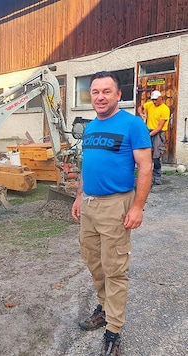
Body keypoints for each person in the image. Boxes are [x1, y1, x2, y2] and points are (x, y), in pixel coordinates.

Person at [71, 71, 152, 356]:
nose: (100, 96)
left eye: (107, 91)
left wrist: (138, 206)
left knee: (115, 269)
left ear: (119, 95)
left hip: (116, 205)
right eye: (95, 92)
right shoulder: (91, 127)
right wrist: (80, 196)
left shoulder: (132, 125)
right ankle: (104, 308)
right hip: (90, 205)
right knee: (95, 262)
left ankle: (114, 330)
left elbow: (145, 167)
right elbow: (86, 166)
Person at [137, 89, 170, 185]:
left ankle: (157, 177)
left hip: (158, 133)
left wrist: (147, 135)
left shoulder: (164, 109)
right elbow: (140, 107)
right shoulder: (150, 104)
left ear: (161, 98)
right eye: (153, 100)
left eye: (156, 99)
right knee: (145, 155)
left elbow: (159, 127)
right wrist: (141, 114)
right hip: (148, 130)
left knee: (156, 156)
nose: (154, 102)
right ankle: (147, 177)